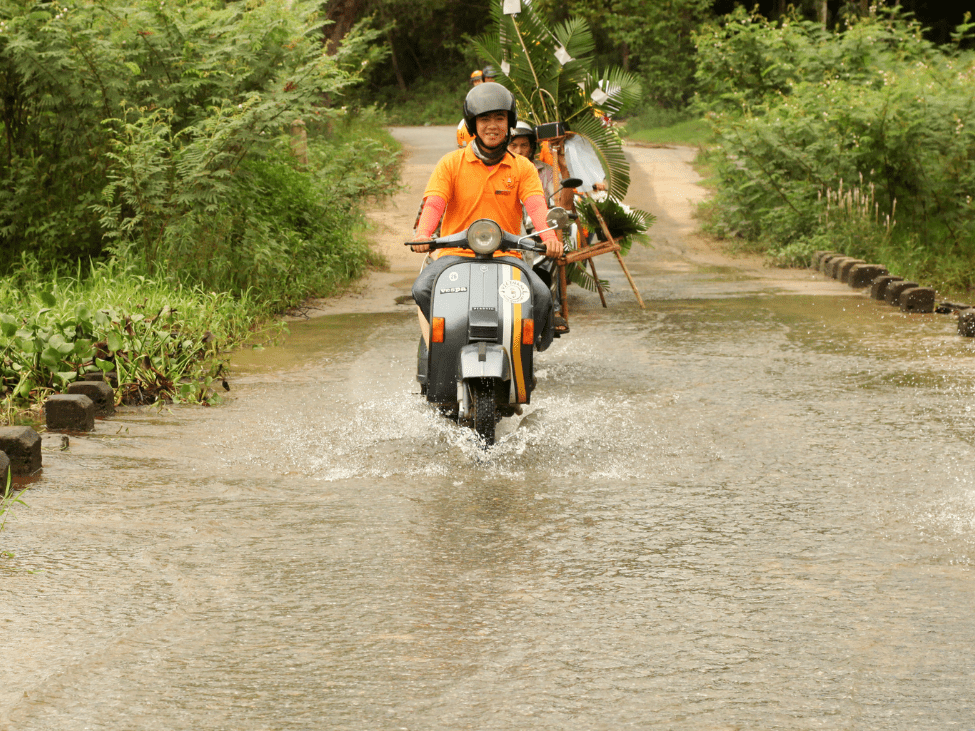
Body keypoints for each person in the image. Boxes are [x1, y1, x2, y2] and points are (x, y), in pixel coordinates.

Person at [411, 84, 562, 351]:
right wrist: (423, 234)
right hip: (453, 256)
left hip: (507, 257)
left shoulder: (523, 167)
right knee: (422, 289)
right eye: (484, 119)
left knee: (541, 296)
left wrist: (549, 237)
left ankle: (525, 351)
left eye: (499, 118)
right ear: (473, 124)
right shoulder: (450, 163)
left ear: (509, 123)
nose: (492, 125)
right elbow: (434, 204)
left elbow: (537, 207)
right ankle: (446, 341)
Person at [456, 69, 485, 147]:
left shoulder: (489, 92)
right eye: (475, 81)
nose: (477, 83)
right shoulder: (471, 95)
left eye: (479, 80)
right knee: (462, 126)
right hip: (474, 117)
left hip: (485, 117)